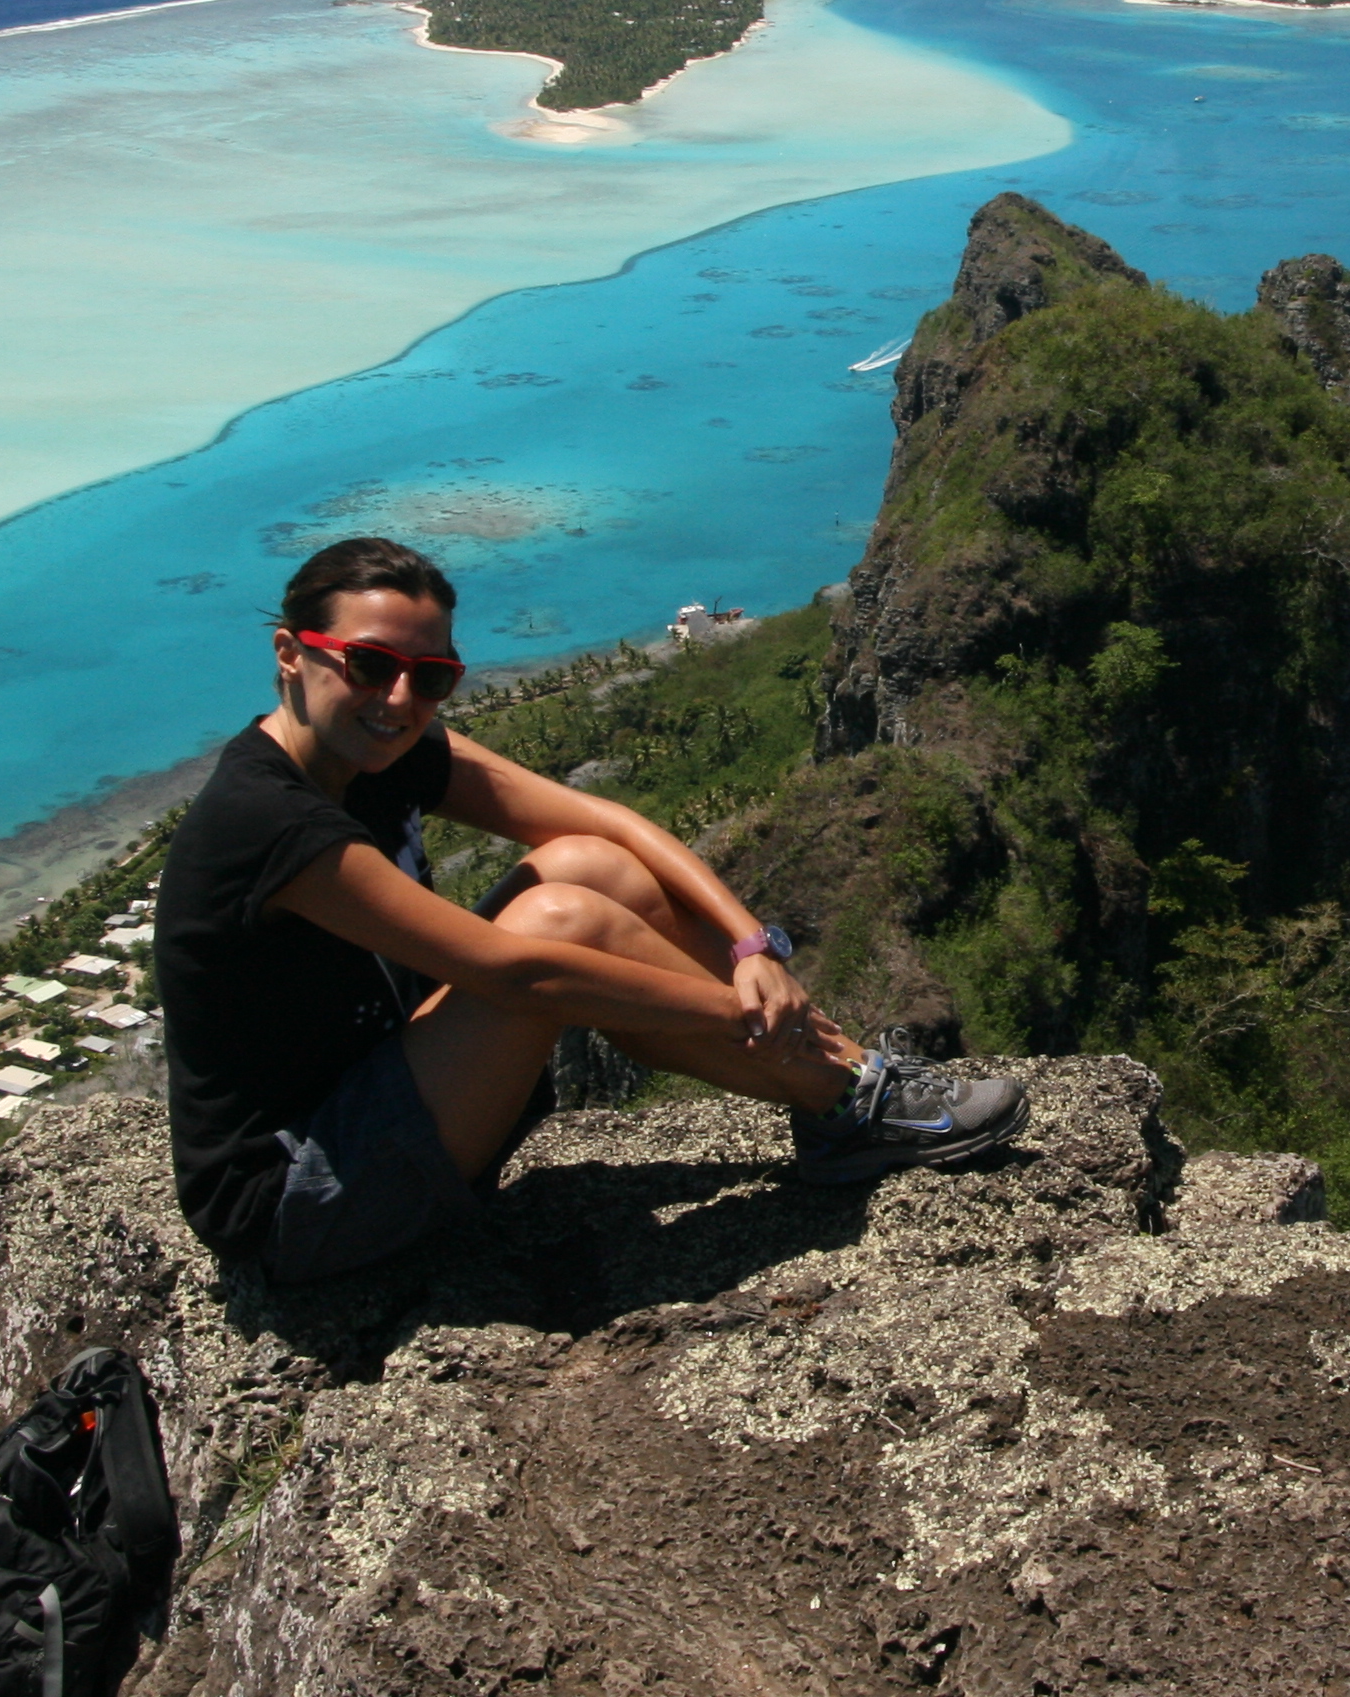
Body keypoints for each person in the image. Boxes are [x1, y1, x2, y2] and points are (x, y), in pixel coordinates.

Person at [154, 535, 1029, 1284]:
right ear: (289, 655)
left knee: (586, 867)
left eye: (432, 678)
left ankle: (845, 1083)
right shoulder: (265, 821)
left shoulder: (384, 750)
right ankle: (843, 1096)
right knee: (559, 925)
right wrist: (744, 1012)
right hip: (300, 1194)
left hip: (379, 1079)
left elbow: (606, 823)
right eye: (370, 665)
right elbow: (517, 970)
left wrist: (753, 947)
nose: (399, 700)